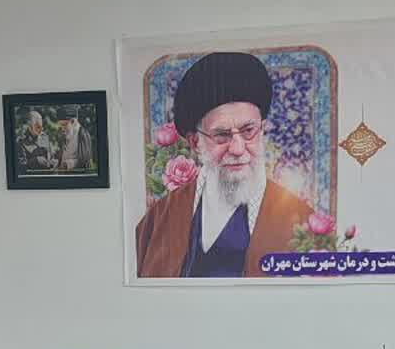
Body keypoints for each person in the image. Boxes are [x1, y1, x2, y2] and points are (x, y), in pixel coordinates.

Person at [133, 50, 315, 277]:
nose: (238, 149)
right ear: (195, 142)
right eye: (221, 135)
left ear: (262, 129)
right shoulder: (159, 220)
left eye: (248, 131)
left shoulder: (303, 222)